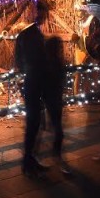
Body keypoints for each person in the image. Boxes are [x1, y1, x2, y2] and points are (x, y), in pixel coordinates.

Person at [15, 0, 51, 178]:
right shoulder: (31, 35)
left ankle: (31, 158)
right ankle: (28, 161)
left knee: (36, 123)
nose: (44, 17)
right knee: (34, 123)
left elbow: (19, 61)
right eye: (43, 12)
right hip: (34, 83)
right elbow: (35, 62)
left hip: (32, 83)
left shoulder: (29, 34)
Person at [43, 36, 71, 174]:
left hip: (54, 98)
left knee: (55, 127)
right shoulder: (52, 62)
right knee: (57, 129)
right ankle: (56, 155)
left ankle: (56, 153)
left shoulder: (54, 62)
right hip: (52, 98)